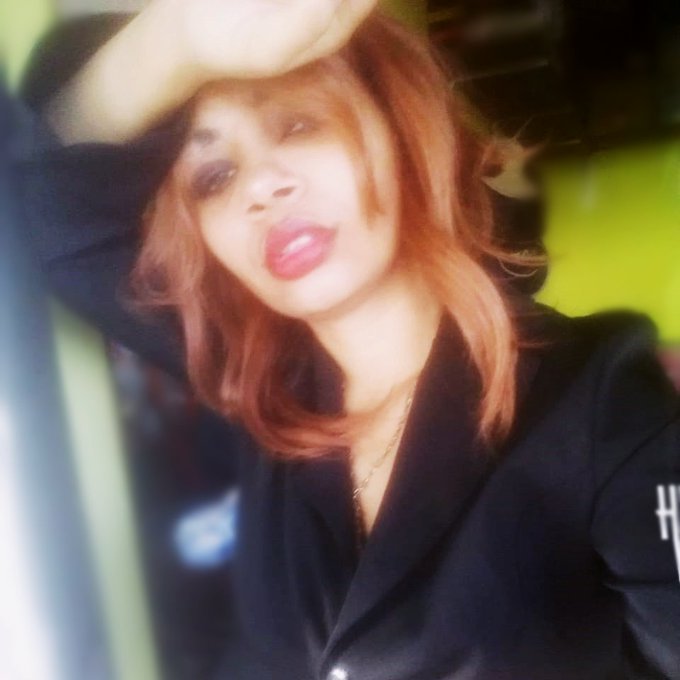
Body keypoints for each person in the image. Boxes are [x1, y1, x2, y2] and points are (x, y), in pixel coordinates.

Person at [15, 1, 680, 678]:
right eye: (215, 176)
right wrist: (182, 40)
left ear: (399, 133)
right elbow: (55, 210)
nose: (261, 188)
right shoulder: (266, 392)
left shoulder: (608, 412)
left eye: (299, 124)